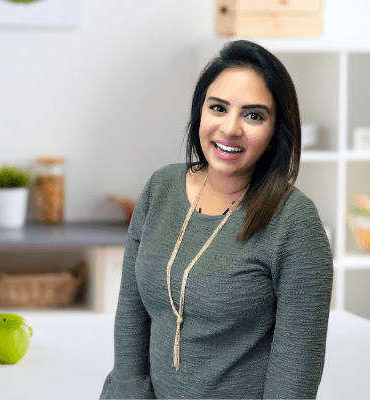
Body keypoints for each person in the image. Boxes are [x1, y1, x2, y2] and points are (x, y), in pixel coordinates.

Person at [100, 40, 333, 399]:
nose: (230, 128)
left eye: (254, 115)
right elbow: (131, 314)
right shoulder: (160, 188)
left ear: (276, 130)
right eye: (218, 108)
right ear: (200, 113)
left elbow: (295, 372)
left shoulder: (295, 223)